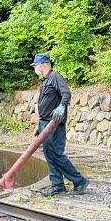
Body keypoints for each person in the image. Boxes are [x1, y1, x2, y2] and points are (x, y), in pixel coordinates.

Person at [31, 53, 89, 197]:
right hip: (45, 123)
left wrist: (62, 106)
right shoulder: (45, 81)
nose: (34, 68)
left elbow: (66, 93)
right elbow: (46, 104)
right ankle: (57, 186)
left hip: (54, 124)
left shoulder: (55, 76)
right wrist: (40, 124)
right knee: (49, 155)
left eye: (36, 65)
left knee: (56, 154)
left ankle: (79, 181)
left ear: (44, 64)